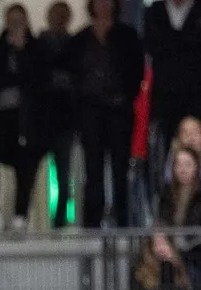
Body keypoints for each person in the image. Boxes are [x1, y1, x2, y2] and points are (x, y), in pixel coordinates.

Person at [67, 0, 143, 228]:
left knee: (120, 168)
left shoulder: (127, 35)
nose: (103, 5)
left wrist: (124, 96)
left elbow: (137, 71)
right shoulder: (80, 39)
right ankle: (92, 223)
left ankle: (122, 220)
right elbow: (72, 75)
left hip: (119, 110)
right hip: (90, 112)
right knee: (93, 169)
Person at [0, 5, 44, 232]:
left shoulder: (36, 48)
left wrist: (22, 53)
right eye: (12, 19)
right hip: (1, 120)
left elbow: (39, 80)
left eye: (20, 19)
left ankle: (21, 214)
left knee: (26, 166)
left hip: (29, 120)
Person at [143, 0, 201, 144]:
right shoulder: (155, 11)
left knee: (194, 138)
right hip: (164, 92)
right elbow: (152, 46)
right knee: (163, 140)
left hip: (197, 91)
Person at [36, 1, 76, 227]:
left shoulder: (73, 45)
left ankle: (59, 219)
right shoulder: (39, 45)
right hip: (42, 120)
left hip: (65, 121)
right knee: (33, 173)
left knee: (63, 173)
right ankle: (34, 219)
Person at [154, 146, 201, 266]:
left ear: (197, 166)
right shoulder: (167, 191)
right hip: (170, 250)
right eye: (178, 165)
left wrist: (180, 249)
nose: (182, 169)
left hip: (199, 251)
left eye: (188, 164)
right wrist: (164, 243)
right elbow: (161, 222)